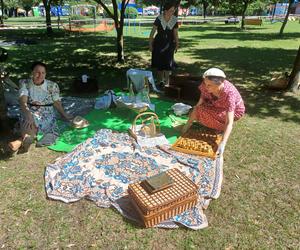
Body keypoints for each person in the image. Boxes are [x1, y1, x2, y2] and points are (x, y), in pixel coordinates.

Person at [8, 61, 73, 153]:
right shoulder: (24, 83)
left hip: (46, 112)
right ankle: (25, 139)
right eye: (37, 72)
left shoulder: (52, 85)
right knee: (28, 120)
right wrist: (28, 114)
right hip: (28, 109)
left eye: (43, 73)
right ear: (32, 73)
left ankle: (20, 141)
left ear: (45, 74)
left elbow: (57, 103)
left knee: (34, 121)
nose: (40, 75)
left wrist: (64, 114)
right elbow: (23, 102)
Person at [182, 68, 245, 155]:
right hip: (218, 106)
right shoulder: (206, 84)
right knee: (198, 109)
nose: (205, 87)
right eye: (205, 83)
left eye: (209, 85)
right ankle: (214, 123)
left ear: (220, 83)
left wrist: (223, 143)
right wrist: (189, 121)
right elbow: (202, 98)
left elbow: (229, 122)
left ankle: (220, 127)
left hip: (235, 112)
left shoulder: (229, 93)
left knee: (204, 113)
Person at [149, 2, 179, 87]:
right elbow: (152, 32)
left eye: (173, 11)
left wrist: (177, 44)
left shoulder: (174, 20)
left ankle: (167, 82)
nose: (172, 12)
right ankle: (160, 81)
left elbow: (175, 34)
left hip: (169, 44)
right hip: (158, 43)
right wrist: (150, 44)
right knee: (160, 63)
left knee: (168, 63)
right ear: (165, 10)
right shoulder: (159, 18)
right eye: (171, 10)